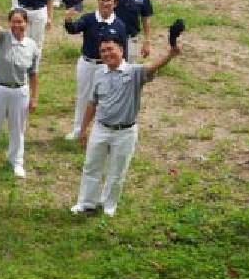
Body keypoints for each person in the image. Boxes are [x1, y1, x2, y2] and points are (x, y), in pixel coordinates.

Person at [71, 34, 180, 217]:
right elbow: (92, 103)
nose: (107, 54)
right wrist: (83, 129)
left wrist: (170, 54)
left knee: (117, 170)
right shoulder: (99, 73)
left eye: (110, 49)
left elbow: (153, 67)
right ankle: (86, 202)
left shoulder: (134, 72)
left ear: (121, 50)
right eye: (103, 51)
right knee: (91, 167)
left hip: (125, 132)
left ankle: (108, 205)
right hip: (101, 128)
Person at [0, 0, 41, 178]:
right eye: (14, 21)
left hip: (20, 92)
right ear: (9, 23)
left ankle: (16, 161)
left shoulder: (32, 46)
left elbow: (34, 74)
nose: (17, 25)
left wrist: (34, 98)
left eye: (20, 21)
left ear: (26, 23)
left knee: (18, 128)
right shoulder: (3, 37)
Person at [63, 0, 130, 141]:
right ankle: (78, 129)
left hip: (106, 67)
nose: (105, 3)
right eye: (103, 0)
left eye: (109, 1)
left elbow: (123, 49)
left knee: (105, 98)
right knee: (83, 97)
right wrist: (68, 20)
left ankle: (99, 130)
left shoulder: (119, 25)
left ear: (115, 4)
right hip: (87, 63)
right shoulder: (89, 18)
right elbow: (73, 29)